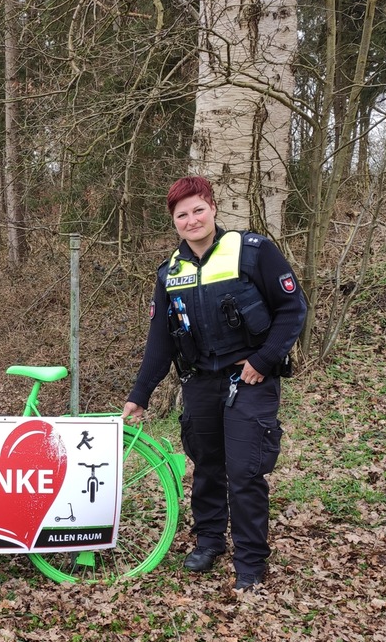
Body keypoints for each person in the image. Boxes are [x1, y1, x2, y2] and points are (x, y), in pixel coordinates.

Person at [122, 176, 306, 591]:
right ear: (174, 222)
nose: (191, 220)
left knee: (244, 472)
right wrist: (140, 395)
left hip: (250, 378)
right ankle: (209, 541)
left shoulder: (252, 251)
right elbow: (160, 340)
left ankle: (251, 562)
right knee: (207, 466)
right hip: (200, 381)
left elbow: (293, 308)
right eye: (181, 214)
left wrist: (263, 359)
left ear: (213, 208)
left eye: (197, 209)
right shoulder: (170, 272)